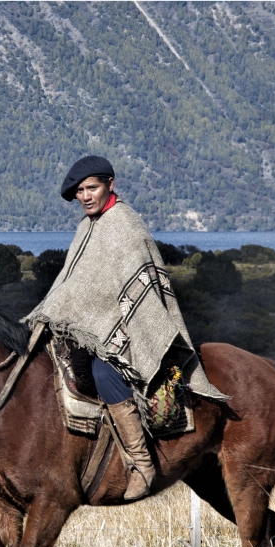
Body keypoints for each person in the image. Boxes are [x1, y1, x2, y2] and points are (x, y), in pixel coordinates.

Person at [25, 155, 228, 501]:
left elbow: (140, 295)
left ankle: (141, 462)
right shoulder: (86, 227)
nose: (85, 196)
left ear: (110, 185)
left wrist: (109, 331)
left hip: (133, 333)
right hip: (94, 332)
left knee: (105, 374)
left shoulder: (124, 224)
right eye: (80, 191)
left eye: (92, 188)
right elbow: (75, 287)